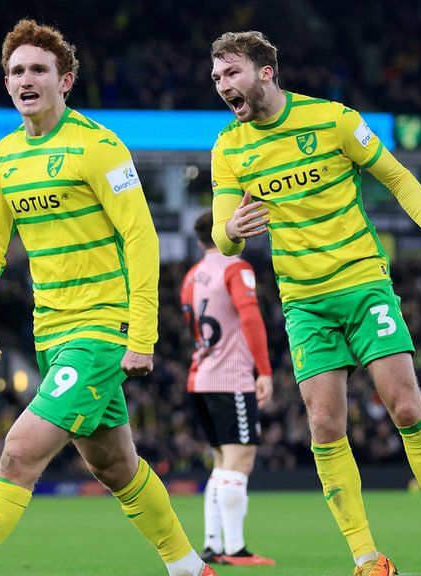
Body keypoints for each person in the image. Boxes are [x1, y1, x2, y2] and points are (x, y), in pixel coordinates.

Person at [0, 19, 214, 576]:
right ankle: (188, 567)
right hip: (51, 334)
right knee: (115, 467)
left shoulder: (100, 147)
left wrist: (142, 335)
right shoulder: (4, 158)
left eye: (38, 69)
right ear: (6, 83)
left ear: (66, 80)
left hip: (101, 331)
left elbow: (141, 236)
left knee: (19, 451)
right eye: (16, 71)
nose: (25, 79)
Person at [208, 31, 421, 576]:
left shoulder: (333, 120)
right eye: (216, 77)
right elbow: (223, 234)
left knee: (406, 407)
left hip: (362, 284)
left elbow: (397, 176)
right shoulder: (228, 148)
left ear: (266, 72)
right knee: (325, 426)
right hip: (304, 303)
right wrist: (231, 231)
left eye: (231, 73)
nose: (222, 86)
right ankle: (367, 558)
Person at [181, 210, 275, 566]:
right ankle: (234, 548)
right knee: (240, 459)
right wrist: (263, 371)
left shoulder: (192, 275)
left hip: (199, 376)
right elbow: (249, 316)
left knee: (222, 462)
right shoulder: (236, 267)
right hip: (229, 377)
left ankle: (211, 544)